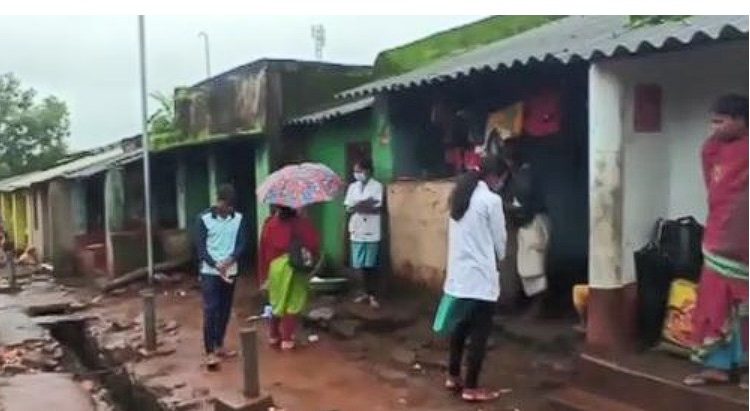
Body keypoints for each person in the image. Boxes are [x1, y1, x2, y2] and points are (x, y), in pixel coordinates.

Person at [684, 95, 748, 387]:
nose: (714, 127)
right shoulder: (712, 148)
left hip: (745, 240)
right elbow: (715, 190)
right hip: (719, 235)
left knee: (746, 308)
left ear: (741, 121)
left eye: (720, 121)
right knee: (714, 302)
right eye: (712, 121)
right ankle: (716, 366)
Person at [440, 154, 509, 402]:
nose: (501, 183)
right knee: (479, 333)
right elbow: (500, 241)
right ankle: (471, 387)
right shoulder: (491, 201)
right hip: (480, 279)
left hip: (458, 277)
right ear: (494, 176)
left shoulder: (460, 196)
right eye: (502, 179)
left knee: (460, 327)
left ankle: (453, 376)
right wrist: (500, 257)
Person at [195, 184, 248, 370]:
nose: (228, 210)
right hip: (210, 272)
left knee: (225, 309)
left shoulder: (239, 219)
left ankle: (219, 344)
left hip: (230, 269)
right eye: (225, 205)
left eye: (231, 207)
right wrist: (215, 264)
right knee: (211, 309)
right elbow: (201, 248)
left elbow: (242, 243)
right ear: (219, 202)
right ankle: (209, 351)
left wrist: (231, 259)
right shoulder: (203, 219)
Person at [258, 205, 320, 351]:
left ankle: (273, 335)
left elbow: (263, 249)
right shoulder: (302, 223)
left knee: (277, 302)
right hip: (296, 266)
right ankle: (287, 339)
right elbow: (314, 244)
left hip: (275, 267)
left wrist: (263, 276)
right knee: (293, 302)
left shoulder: (270, 224)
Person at [344, 159, 384, 309]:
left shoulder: (377, 186)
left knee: (370, 264)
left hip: (371, 229)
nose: (357, 174)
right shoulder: (352, 187)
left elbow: (377, 207)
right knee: (359, 263)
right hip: (357, 228)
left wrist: (360, 207)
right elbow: (348, 207)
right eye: (355, 171)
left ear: (368, 171)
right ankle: (364, 293)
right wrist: (360, 206)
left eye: (359, 170)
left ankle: (372, 294)